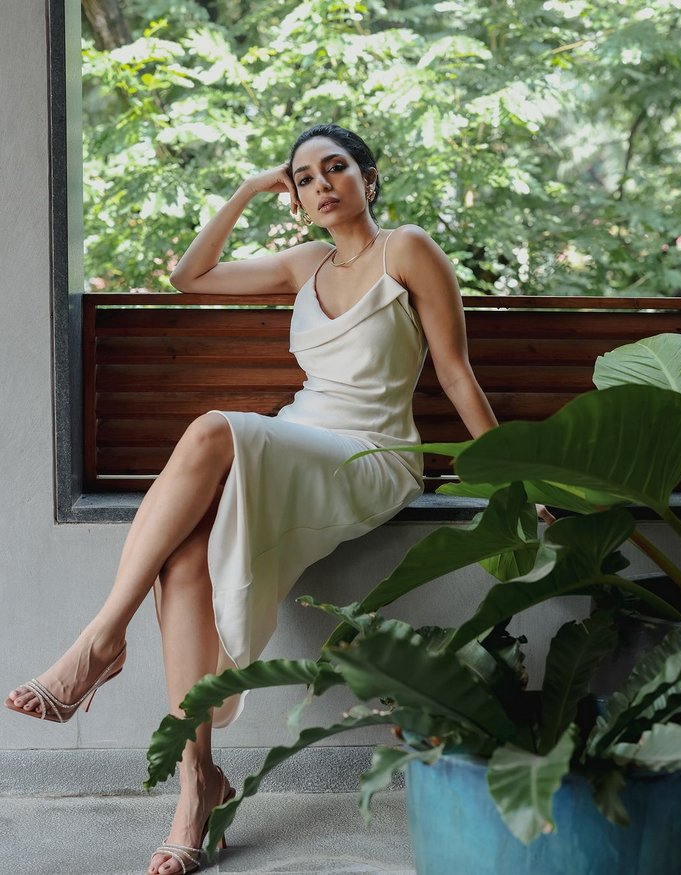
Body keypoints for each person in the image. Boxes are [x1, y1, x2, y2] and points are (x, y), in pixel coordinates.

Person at [5, 123, 554, 875]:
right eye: (303, 177)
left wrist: (515, 482)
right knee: (186, 559)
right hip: (300, 438)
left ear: (368, 178)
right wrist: (246, 189)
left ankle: (102, 639)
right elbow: (190, 277)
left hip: (372, 455)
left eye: (337, 168)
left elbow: (455, 373)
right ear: (293, 197)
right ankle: (198, 783)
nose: (321, 184)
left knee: (209, 429)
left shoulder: (408, 250)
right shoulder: (304, 263)